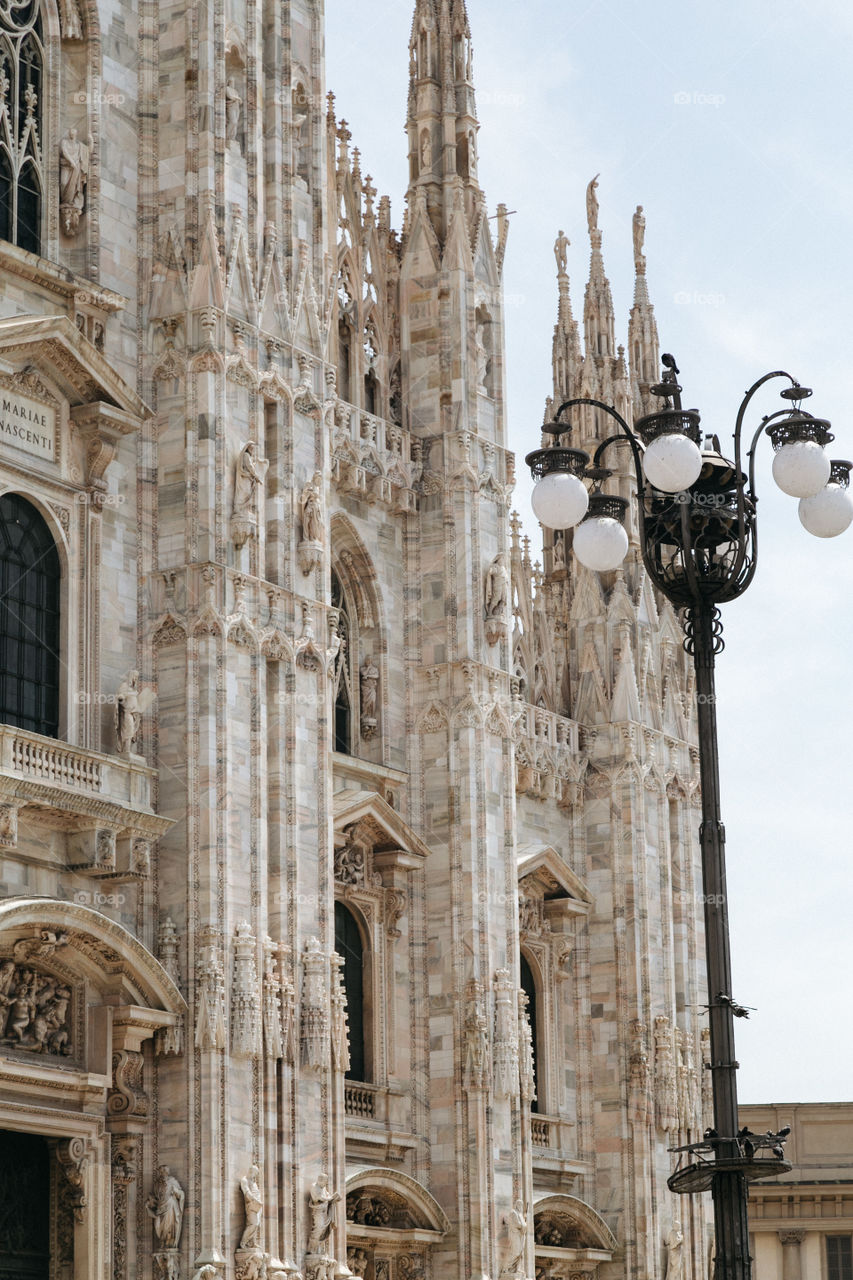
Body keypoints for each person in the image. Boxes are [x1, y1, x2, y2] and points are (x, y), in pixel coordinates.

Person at [146, 1166, 185, 1249]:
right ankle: (162, 1241)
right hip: (160, 1208)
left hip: (170, 1206)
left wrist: (176, 1191)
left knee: (169, 1226)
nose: (162, 1173)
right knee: (158, 1226)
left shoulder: (172, 1181)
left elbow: (181, 1194)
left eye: (164, 1171)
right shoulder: (157, 1184)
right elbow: (156, 1197)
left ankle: (168, 1243)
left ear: (167, 1172)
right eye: (161, 1171)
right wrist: (150, 1202)